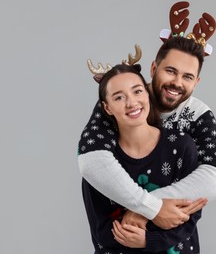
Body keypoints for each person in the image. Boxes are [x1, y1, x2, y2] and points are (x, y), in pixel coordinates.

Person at [78, 1, 216, 230]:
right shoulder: (125, 101)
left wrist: (147, 210)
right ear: (153, 68)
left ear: (196, 82)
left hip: (171, 236)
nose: (177, 83)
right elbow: (91, 160)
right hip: (117, 233)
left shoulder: (199, 115)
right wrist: (151, 208)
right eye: (170, 71)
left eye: (187, 77)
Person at [82, 53, 203, 253]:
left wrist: (150, 239)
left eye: (137, 91)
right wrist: (156, 218)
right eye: (119, 97)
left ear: (147, 94)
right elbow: (101, 231)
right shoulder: (101, 163)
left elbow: (189, 216)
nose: (131, 103)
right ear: (107, 107)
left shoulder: (182, 146)